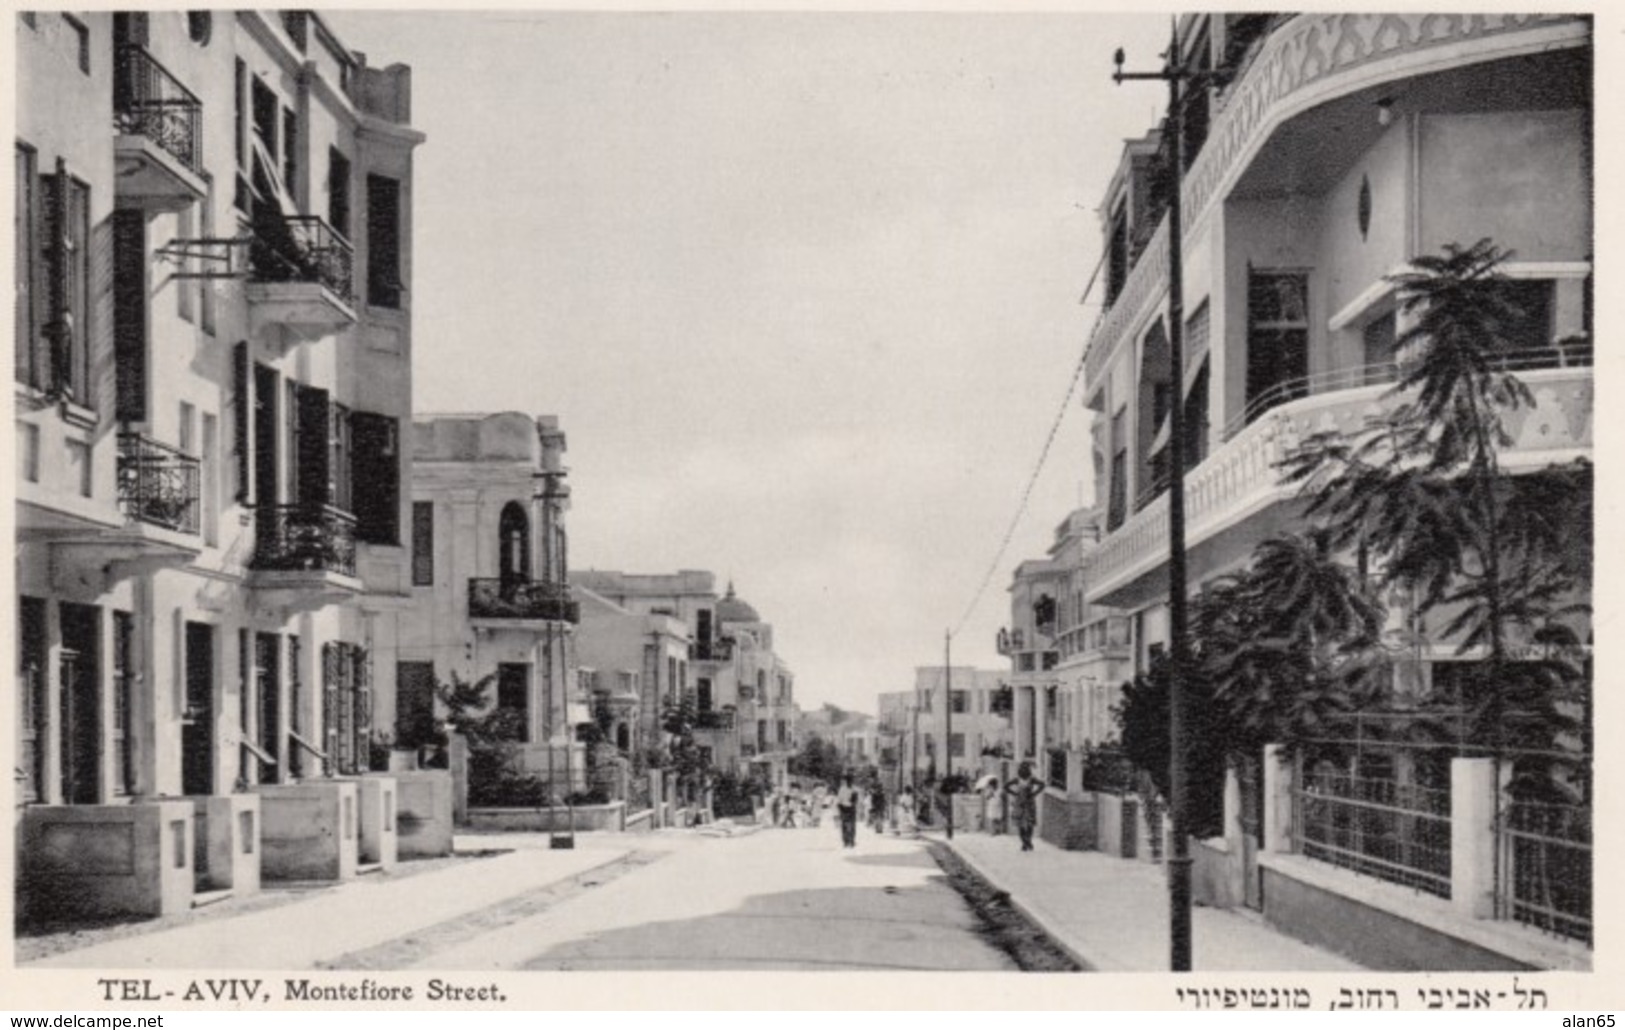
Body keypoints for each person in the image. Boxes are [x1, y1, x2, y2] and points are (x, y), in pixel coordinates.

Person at [1005, 762, 1044, 852]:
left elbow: (1042, 784)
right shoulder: (1017, 779)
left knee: (1030, 823)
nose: (1024, 770)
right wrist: (1015, 793)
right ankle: (1024, 842)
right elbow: (1006, 786)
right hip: (1020, 804)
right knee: (1020, 824)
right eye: (1022, 768)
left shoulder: (1032, 779)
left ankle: (1028, 841)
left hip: (1029, 803)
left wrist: (1034, 793)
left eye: (1026, 768)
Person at [835, 772, 860, 848]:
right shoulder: (844, 789)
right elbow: (839, 800)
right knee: (846, 825)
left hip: (849, 808)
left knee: (850, 825)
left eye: (851, 780)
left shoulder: (853, 789)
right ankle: (847, 841)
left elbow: (856, 800)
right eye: (849, 780)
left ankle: (850, 841)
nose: (850, 781)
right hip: (845, 808)